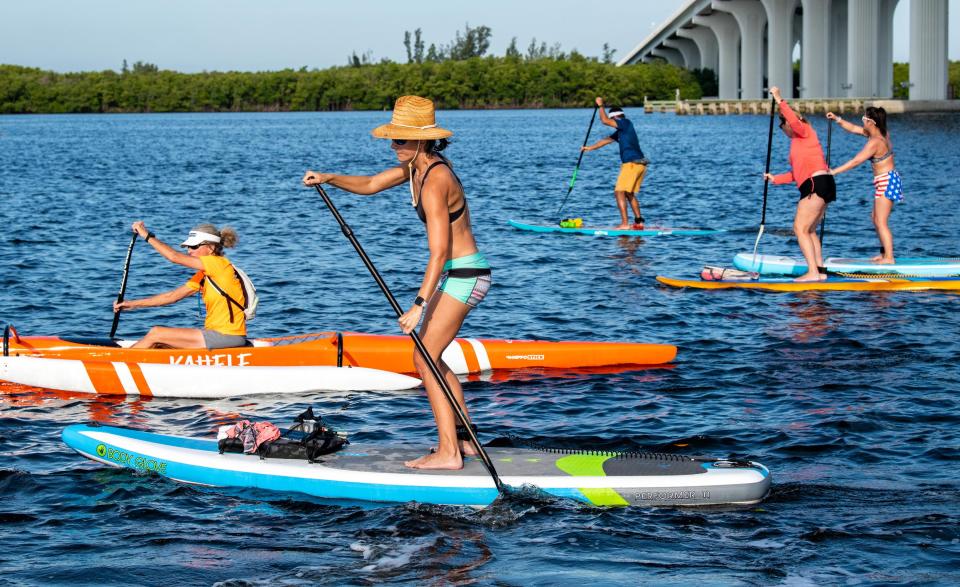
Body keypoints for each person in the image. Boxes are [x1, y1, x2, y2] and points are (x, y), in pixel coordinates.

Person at [302, 95, 490, 471]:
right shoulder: (416, 169)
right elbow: (371, 183)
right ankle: (465, 440)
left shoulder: (436, 179)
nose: (393, 146)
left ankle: (449, 452)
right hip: (458, 275)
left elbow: (438, 252)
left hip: (464, 275)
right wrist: (330, 178)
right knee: (431, 358)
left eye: (400, 140)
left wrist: (418, 305)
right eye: (393, 139)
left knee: (424, 358)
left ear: (422, 140)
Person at [114, 222, 248, 349]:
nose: (189, 251)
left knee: (156, 333)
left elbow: (174, 257)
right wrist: (131, 304)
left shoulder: (218, 264)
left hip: (227, 335)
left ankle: (117, 361)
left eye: (194, 246)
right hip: (215, 334)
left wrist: (146, 235)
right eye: (188, 247)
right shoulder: (204, 276)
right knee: (158, 344)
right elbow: (171, 296)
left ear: (211, 248)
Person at [763, 86, 836, 282]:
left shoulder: (804, 130)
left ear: (788, 122)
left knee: (800, 229)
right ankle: (819, 271)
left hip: (816, 184)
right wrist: (775, 179)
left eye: (782, 126)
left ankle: (812, 272)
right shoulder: (802, 142)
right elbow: (797, 174)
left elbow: (793, 120)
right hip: (822, 182)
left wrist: (778, 99)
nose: (783, 130)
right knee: (809, 230)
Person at [827, 106, 902, 263]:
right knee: (875, 217)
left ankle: (889, 257)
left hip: (887, 181)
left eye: (864, 119)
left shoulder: (875, 141)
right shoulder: (879, 133)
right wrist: (837, 119)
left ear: (871, 122)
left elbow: (856, 161)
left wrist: (834, 172)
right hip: (885, 180)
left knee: (881, 221)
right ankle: (884, 253)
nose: (862, 122)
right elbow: (854, 128)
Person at [580, 97, 649, 229]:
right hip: (640, 165)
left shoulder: (624, 122)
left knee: (619, 192)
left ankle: (624, 224)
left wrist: (601, 106)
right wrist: (589, 148)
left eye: (613, 120)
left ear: (616, 117)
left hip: (632, 164)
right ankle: (639, 222)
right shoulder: (623, 130)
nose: (613, 122)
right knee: (629, 193)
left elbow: (605, 120)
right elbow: (606, 140)